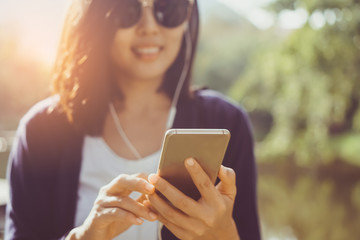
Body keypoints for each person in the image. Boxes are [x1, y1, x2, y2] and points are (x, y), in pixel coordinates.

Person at [5, 0, 261, 239]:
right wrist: (83, 236)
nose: (149, 28)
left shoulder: (227, 122)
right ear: (98, 19)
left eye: (167, 8)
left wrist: (224, 234)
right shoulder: (41, 130)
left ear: (187, 17)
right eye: (128, 10)